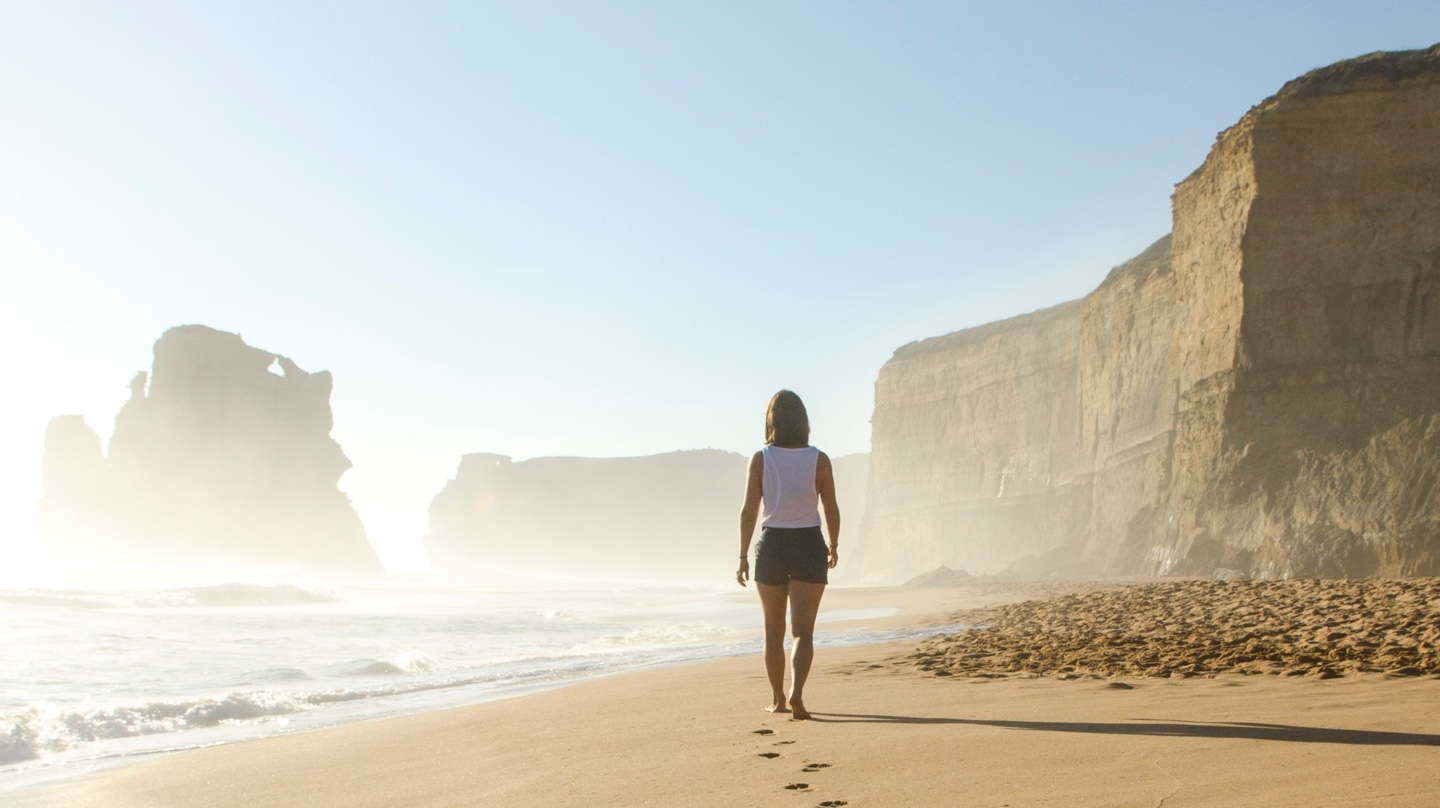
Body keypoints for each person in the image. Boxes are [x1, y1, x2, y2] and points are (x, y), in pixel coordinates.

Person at [735, 389, 839, 720]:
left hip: (772, 544)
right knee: (803, 632)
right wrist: (834, 545)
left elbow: (748, 511)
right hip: (809, 542)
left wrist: (742, 556)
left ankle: (778, 699)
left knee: (773, 630)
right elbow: (831, 508)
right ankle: (798, 694)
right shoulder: (819, 459)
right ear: (804, 421)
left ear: (772, 421)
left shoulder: (762, 458)